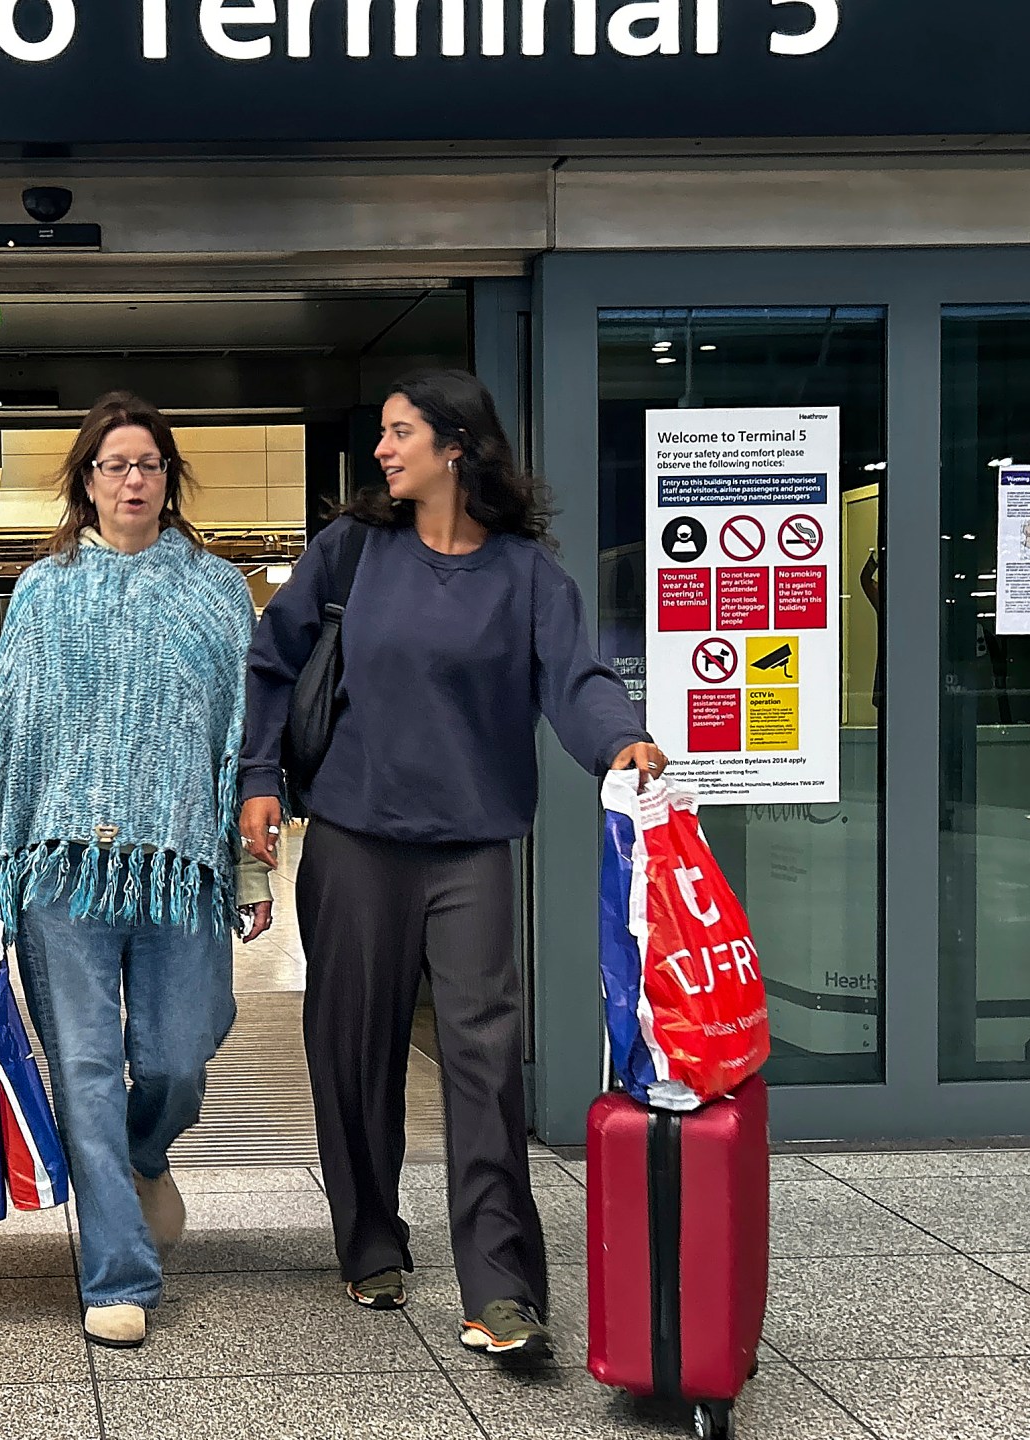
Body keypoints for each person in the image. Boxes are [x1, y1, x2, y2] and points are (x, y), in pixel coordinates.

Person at [238, 368, 668, 1360]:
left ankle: (503, 1288)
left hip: (470, 850)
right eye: (382, 435)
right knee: (353, 1051)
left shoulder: (523, 575)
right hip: (351, 840)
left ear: (455, 447)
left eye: (400, 434)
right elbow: (272, 661)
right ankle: (370, 1240)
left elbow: (578, 679)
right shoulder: (351, 553)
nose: (384, 450)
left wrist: (621, 743)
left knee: (482, 1061)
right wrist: (259, 777)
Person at [0, 393, 276, 1350]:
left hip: (179, 869)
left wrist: (249, 874)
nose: (132, 480)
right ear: (86, 482)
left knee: (179, 1055)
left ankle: (146, 1156)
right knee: (86, 1071)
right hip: (61, 870)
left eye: (148, 464)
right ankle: (117, 1274)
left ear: (169, 480)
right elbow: (6, 732)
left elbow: (240, 740)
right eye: (113, 465)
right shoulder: (41, 590)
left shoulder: (217, 590)